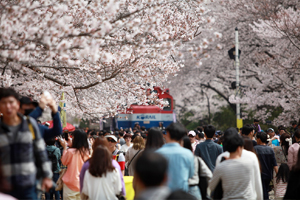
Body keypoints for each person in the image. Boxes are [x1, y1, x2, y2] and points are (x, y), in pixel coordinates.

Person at [0, 88, 52, 199]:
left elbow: (41, 152)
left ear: (17, 104)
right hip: (5, 188)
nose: (8, 107)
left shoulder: (30, 124)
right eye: (4, 103)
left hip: (28, 185)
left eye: (11, 102)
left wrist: (47, 176)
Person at [216, 128, 263, 200]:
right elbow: (257, 181)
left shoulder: (221, 157)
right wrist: (259, 198)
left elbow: (217, 183)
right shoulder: (251, 156)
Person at [156, 122, 194, 192]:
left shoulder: (158, 154)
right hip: (182, 193)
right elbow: (190, 174)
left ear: (168, 134)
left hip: (163, 194)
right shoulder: (188, 154)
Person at [60, 129, 90, 200]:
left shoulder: (70, 152)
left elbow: (64, 162)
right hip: (83, 183)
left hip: (70, 183)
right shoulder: (86, 151)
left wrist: (65, 148)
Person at [254, 131, 278, 200]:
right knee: (266, 191)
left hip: (258, 175)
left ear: (259, 139)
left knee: (261, 193)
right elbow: (274, 164)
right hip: (268, 175)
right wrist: (278, 175)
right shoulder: (270, 149)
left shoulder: (255, 149)